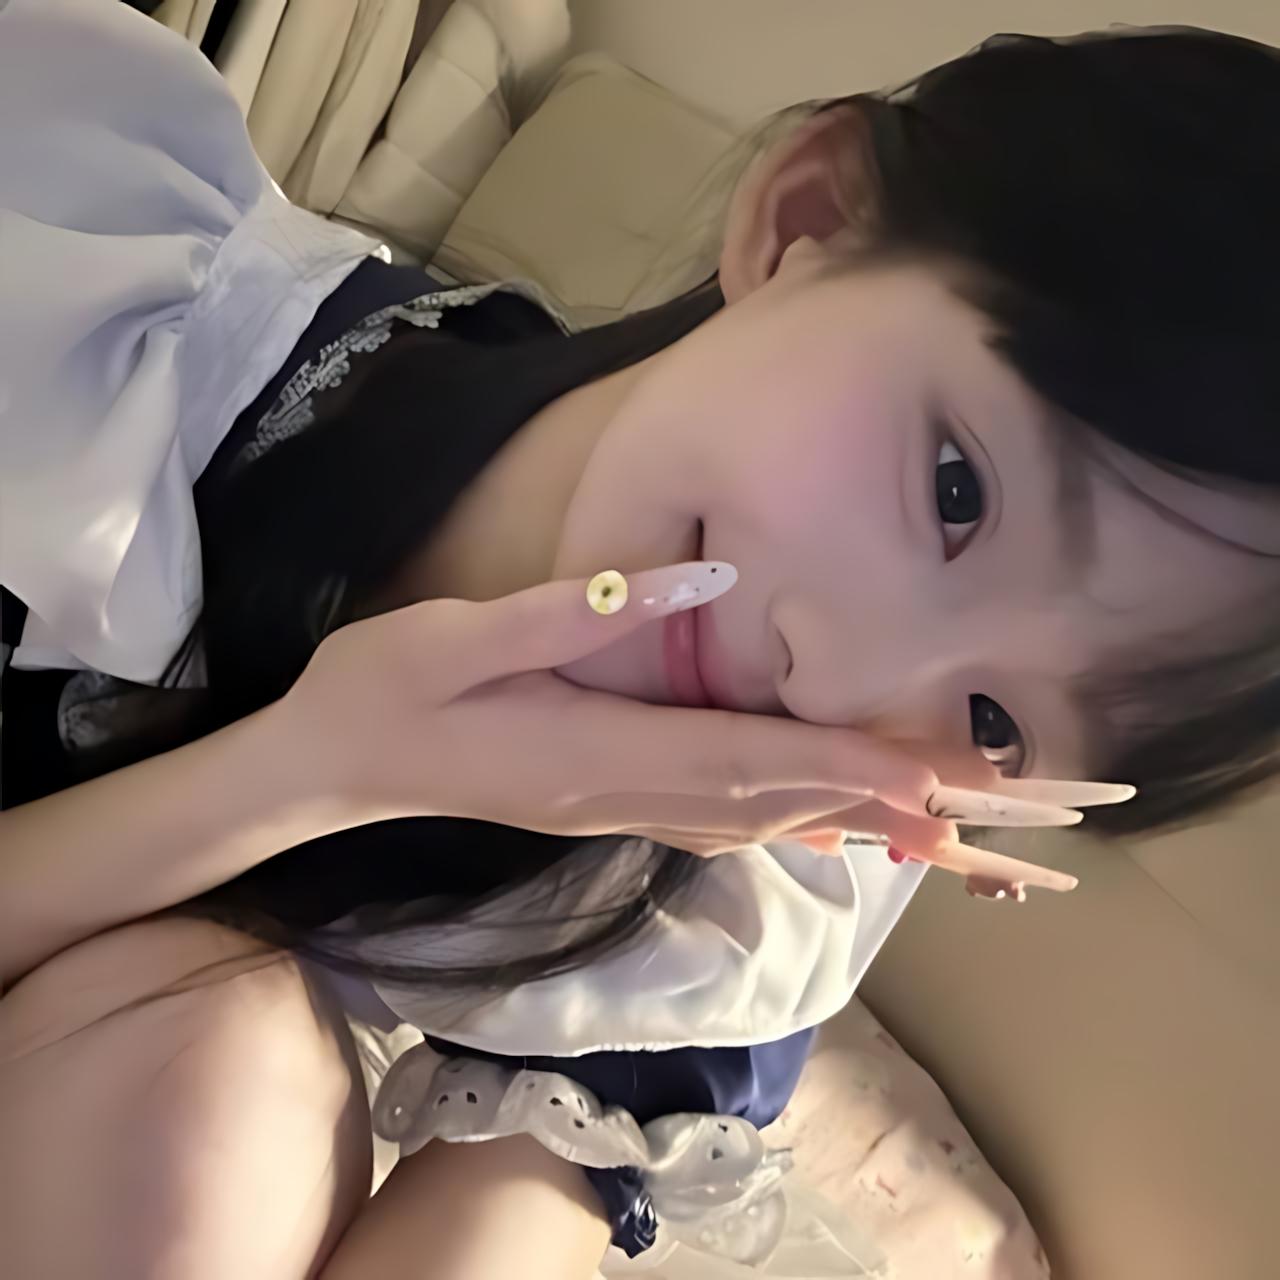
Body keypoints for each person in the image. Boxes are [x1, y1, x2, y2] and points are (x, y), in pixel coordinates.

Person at [2, 2, 1278, 1275]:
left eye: (991, 719)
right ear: (805, 220)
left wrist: (353, 771)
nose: (836, 678)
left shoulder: (747, 890)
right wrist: (309, 766)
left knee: (208, 1080)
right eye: (956, 490)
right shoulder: (99, 292)